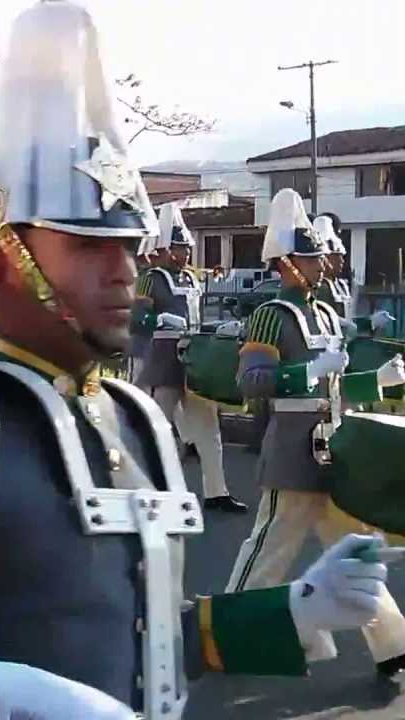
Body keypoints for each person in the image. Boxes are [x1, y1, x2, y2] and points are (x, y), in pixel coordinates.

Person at [0, 4, 396, 718]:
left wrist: (296, 609)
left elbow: (145, 635)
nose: (123, 268)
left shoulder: (136, 418)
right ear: (4, 263)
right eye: (88, 246)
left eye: (127, 245)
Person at [226, 187, 405, 678]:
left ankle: (393, 642)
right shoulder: (270, 315)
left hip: (334, 444)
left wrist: (377, 380)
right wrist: (306, 372)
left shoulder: (325, 313)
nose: (320, 264)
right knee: (269, 550)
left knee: (357, 555)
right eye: (309, 257)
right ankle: (228, 631)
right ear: (286, 263)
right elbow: (250, 382)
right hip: (292, 449)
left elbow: (336, 383)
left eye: (318, 255)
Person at [130, 203, 247, 513]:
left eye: (185, 247)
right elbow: (137, 320)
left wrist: (217, 327)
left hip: (194, 360)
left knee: (209, 430)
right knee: (157, 428)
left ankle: (216, 492)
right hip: (162, 361)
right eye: (179, 247)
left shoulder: (191, 279)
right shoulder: (151, 278)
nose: (184, 253)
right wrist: (161, 320)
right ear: (165, 248)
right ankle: (150, 490)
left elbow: (196, 318)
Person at [312, 214, 393, 336]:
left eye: (342, 257)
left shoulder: (340, 284)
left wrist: (370, 321)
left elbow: (349, 321)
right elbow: (324, 321)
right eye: (337, 257)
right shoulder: (319, 288)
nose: (342, 261)